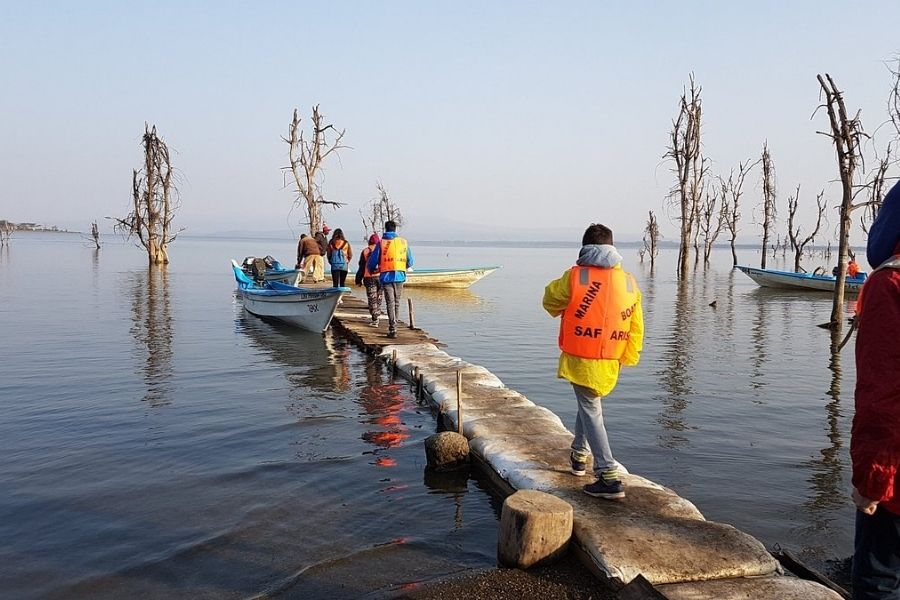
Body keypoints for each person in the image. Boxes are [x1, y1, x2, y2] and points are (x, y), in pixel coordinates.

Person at [542, 223, 643, 500]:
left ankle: (607, 475)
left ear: (585, 248)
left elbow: (550, 301)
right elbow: (637, 327)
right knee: (588, 406)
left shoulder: (577, 277)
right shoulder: (629, 282)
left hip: (582, 357)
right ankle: (578, 456)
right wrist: (628, 357)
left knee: (591, 410)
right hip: (611, 359)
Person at [851, 181, 900, 600]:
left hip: (896, 483)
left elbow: (883, 396)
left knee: (877, 583)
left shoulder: (889, 285)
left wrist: (872, 481)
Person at [366, 220, 413, 338]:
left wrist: (372, 270)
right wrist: (403, 267)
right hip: (400, 276)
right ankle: (394, 326)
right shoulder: (403, 242)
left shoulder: (382, 243)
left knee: (390, 303)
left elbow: (372, 261)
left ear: (385, 229)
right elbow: (411, 261)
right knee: (396, 303)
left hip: (386, 277)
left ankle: (393, 329)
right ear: (395, 229)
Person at [356, 233, 383, 326]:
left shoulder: (365, 251)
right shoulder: (382, 250)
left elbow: (361, 267)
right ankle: (377, 314)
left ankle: (375, 318)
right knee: (379, 297)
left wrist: (358, 279)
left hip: (369, 277)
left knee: (372, 298)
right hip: (381, 277)